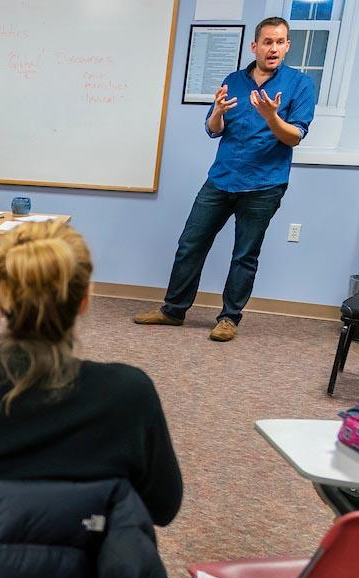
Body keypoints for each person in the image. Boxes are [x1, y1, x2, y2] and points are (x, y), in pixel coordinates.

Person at [0, 219, 183, 526]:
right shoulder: (128, 394)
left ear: (0, 301)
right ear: (83, 300)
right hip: (84, 567)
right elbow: (162, 509)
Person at [133, 16, 315, 342]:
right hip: (221, 179)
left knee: (244, 255)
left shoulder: (300, 85)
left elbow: (293, 137)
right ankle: (173, 310)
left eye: (280, 42)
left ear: (287, 46)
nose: (273, 48)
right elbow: (213, 130)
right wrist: (217, 111)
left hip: (264, 184)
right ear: (255, 46)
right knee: (190, 244)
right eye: (268, 42)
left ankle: (229, 319)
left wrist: (271, 116)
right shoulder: (234, 79)